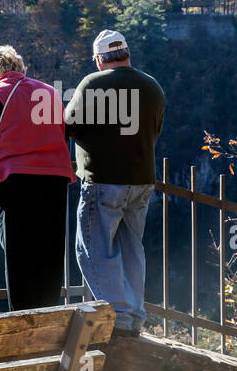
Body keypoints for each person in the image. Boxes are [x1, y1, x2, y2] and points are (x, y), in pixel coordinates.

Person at [64, 30, 166, 337]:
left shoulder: (93, 84)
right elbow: (156, 128)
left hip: (104, 180)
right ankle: (134, 315)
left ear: (98, 59)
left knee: (93, 249)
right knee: (132, 247)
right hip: (142, 180)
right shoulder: (152, 86)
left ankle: (118, 318)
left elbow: (67, 126)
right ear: (126, 54)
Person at [0, 45, 75, 310]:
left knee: (18, 253)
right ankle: (49, 315)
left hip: (15, 182)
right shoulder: (48, 92)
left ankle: (23, 318)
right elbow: (62, 131)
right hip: (54, 179)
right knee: (49, 251)